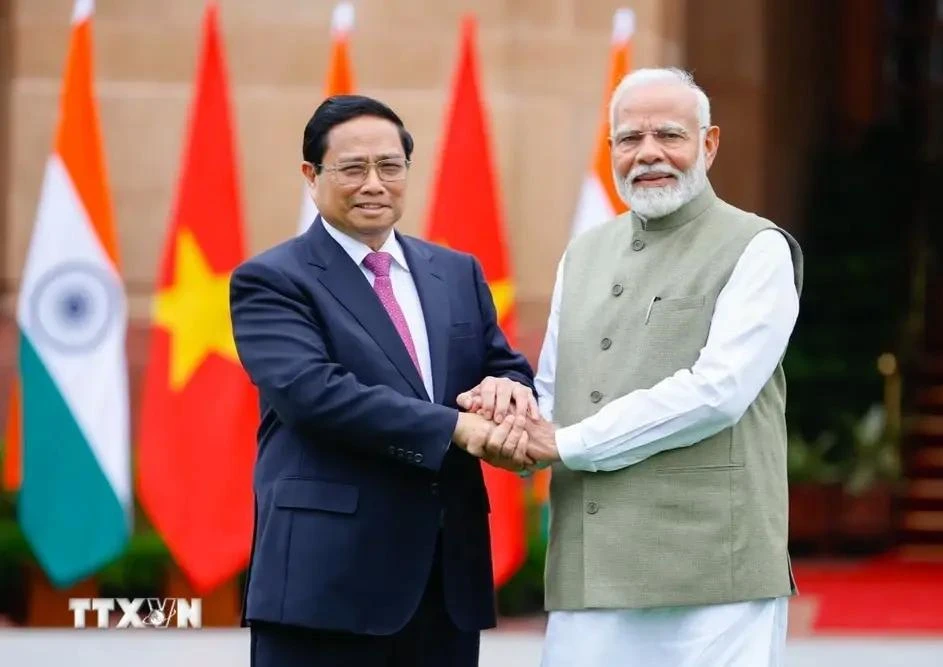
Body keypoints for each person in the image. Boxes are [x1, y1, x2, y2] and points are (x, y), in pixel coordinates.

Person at [462, 67, 804, 666]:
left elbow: (717, 392)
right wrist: (507, 418)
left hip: (712, 573)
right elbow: (552, 391)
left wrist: (564, 443)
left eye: (669, 135)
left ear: (709, 143)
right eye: (629, 138)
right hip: (591, 568)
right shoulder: (585, 253)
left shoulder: (758, 247)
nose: (648, 154)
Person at [229, 94, 538, 667]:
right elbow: (313, 394)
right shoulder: (271, 279)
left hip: (445, 582)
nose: (374, 183)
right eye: (352, 168)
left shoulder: (456, 272)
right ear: (311, 175)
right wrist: (458, 429)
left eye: (390, 167)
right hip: (326, 587)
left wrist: (509, 389)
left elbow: (504, 363)